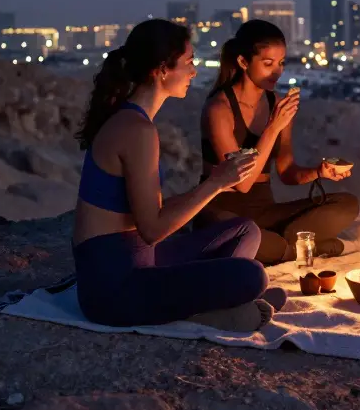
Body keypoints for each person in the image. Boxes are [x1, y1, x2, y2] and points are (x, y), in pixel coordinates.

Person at [72, 18, 285, 331]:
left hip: (141, 257)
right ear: (162, 70)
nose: (194, 71)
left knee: (245, 231)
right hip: (114, 290)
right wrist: (215, 183)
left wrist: (217, 185)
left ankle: (222, 303)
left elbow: (147, 217)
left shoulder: (135, 122)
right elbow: (153, 229)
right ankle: (219, 308)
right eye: (189, 62)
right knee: (252, 275)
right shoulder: (137, 130)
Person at [197, 20, 360, 265]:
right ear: (243, 62)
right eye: (268, 64)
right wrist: (273, 127)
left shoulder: (277, 105)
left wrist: (318, 172)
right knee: (256, 239)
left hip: (264, 211)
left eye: (281, 63)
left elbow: (286, 171)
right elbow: (241, 183)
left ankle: (286, 247)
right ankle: (302, 248)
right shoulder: (219, 108)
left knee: (347, 204)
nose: (277, 72)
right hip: (221, 213)